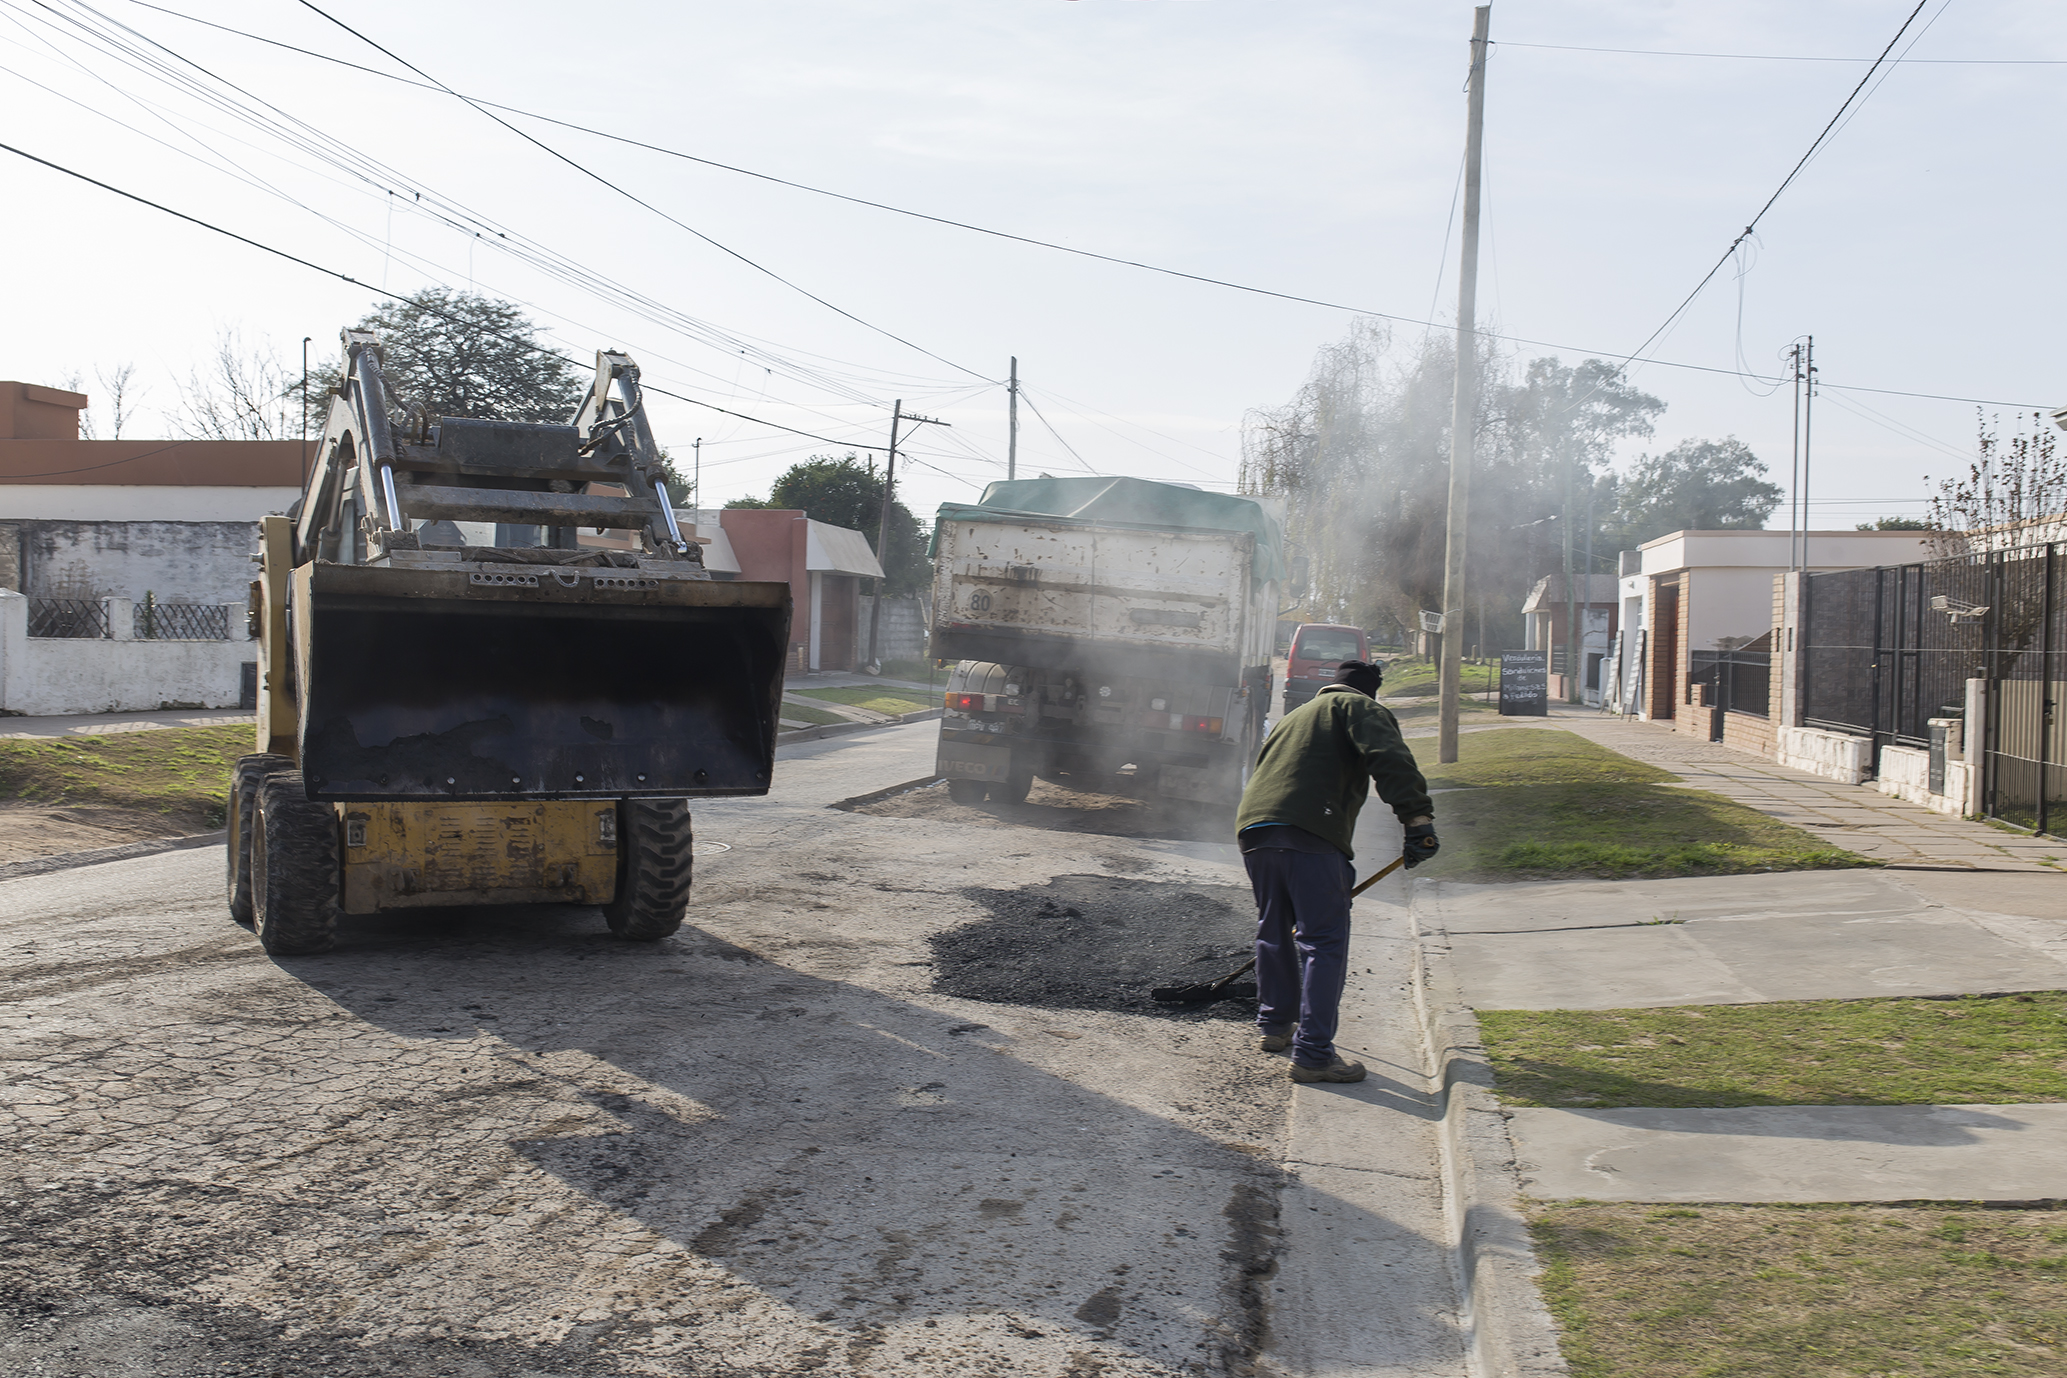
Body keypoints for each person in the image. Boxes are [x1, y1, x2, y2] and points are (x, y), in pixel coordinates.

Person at [1233, 659, 1438, 1083]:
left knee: (1274, 929)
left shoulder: (1295, 716)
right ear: (1369, 692)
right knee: (1323, 941)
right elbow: (1389, 758)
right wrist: (1417, 820)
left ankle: (1275, 1025)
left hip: (1255, 830)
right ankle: (1313, 1055)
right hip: (1310, 832)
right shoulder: (1360, 707)